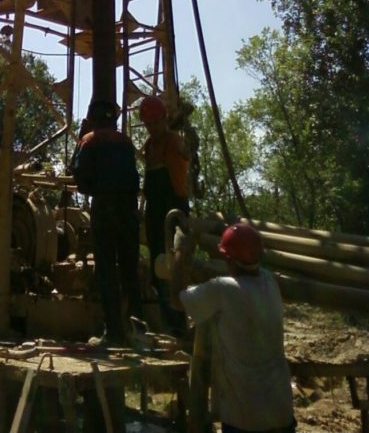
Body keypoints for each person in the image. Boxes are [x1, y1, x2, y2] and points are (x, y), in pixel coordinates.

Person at [177, 224, 296, 433]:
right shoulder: (270, 282)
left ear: (229, 259)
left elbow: (177, 299)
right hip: (281, 411)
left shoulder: (223, 289)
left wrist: (180, 252)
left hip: (244, 418)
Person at [71, 99, 143, 346]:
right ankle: (138, 330)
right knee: (130, 269)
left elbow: (79, 176)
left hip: (105, 207)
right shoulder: (126, 142)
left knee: (107, 269)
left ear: (92, 118)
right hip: (129, 208)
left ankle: (113, 332)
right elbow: (134, 176)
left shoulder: (88, 141)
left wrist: (95, 189)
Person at [139, 95, 189, 334]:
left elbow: (186, 152)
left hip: (174, 210)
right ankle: (167, 321)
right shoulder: (150, 145)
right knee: (158, 267)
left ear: (164, 119)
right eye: (148, 124)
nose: (152, 127)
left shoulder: (174, 141)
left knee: (174, 269)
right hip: (155, 213)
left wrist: (189, 141)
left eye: (156, 122)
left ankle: (178, 323)